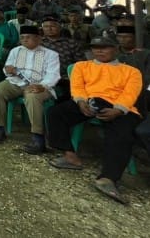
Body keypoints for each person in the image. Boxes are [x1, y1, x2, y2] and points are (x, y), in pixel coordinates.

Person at [47, 37, 142, 204]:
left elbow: (130, 94)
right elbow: (77, 87)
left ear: (116, 49)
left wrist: (118, 110)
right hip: (88, 102)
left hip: (118, 107)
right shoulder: (82, 66)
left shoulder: (131, 71)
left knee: (122, 134)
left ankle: (108, 178)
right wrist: (81, 102)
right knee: (55, 113)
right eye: (95, 48)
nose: (99, 51)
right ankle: (70, 156)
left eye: (105, 47)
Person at [0, 26, 60, 154]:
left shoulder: (51, 54)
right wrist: (8, 70)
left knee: (32, 97)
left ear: (38, 39)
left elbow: (53, 75)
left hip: (39, 85)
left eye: (28, 37)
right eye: (22, 38)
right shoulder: (15, 51)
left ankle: (38, 138)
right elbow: (7, 69)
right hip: (16, 83)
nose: (24, 40)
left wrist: (42, 85)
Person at [40, 15, 85, 100]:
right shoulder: (38, 44)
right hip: (44, 77)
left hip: (65, 77)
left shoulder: (71, 43)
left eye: (52, 26)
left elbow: (81, 63)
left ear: (60, 27)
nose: (49, 29)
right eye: (46, 26)